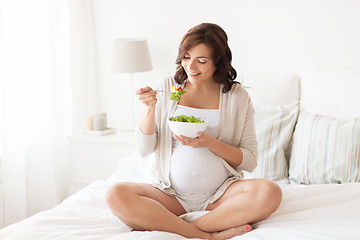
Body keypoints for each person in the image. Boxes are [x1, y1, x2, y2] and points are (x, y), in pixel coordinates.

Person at [106, 23, 282, 240]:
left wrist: (210, 143)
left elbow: (250, 161)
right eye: (187, 57)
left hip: (220, 197)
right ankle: (208, 235)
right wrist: (149, 108)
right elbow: (144, 149)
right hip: (170, 195)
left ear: (218, 62)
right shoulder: (169, 86)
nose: (191, 66)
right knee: (116, 194)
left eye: (202, 61)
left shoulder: (236, 96)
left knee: (270, 192)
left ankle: (176, 225)